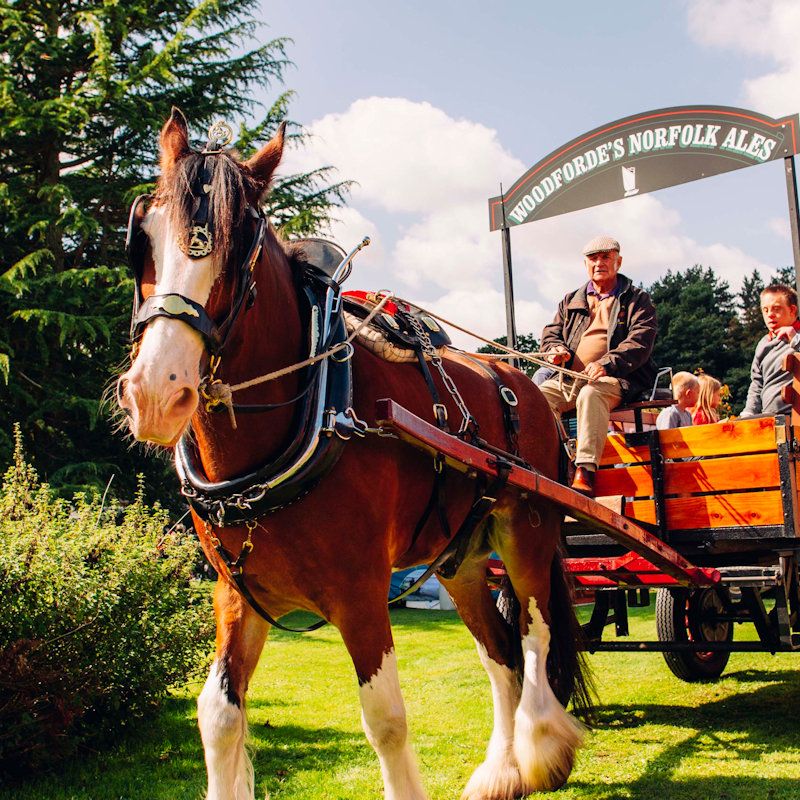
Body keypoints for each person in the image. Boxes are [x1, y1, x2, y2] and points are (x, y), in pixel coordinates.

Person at [538, 235, 657, 495]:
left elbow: (640, 342)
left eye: (606, 257)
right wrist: (554, 350)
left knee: (591, 394)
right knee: (537, 396)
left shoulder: (637, 300)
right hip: (571, 378)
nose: (599, 263)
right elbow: (550, 334)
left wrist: (606, 364)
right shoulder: (570, 300)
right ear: (586, 264)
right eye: (593, 258)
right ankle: (557, 463)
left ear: (618, 261)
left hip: (620, 378)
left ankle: (585, 471)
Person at [741, 284, 800, 417]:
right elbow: (757, 383)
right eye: (765, 310)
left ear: (792, 310)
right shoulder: (763, 343)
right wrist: (748, 412)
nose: (770, 315)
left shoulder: (797, 337)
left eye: (776, 309)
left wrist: (795, 340)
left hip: (796, 418)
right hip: (769, 417)